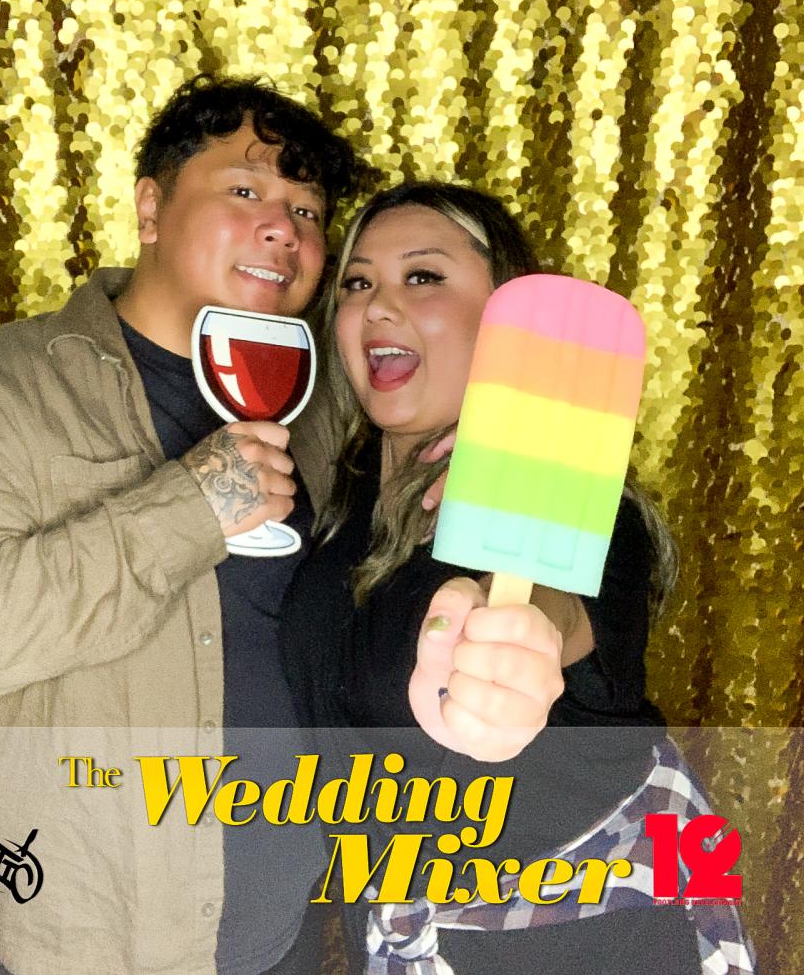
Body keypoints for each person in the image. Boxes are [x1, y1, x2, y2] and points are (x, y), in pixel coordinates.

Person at [0, 74, 363, 975]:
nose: (284, 229)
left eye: (307, 211)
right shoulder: (13, 384)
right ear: (150, 208)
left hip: (284, 927)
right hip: (85, 944)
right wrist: (188, 508)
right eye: (245, 190)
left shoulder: (324, 397)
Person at [281, 181, 749, 973]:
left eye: (423, 276)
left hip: (587, 940)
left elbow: (558, 611)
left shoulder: (575, 502)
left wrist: (511, 639)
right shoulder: (347, 496)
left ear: (507, 320)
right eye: (358, 283)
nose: (379, 305)